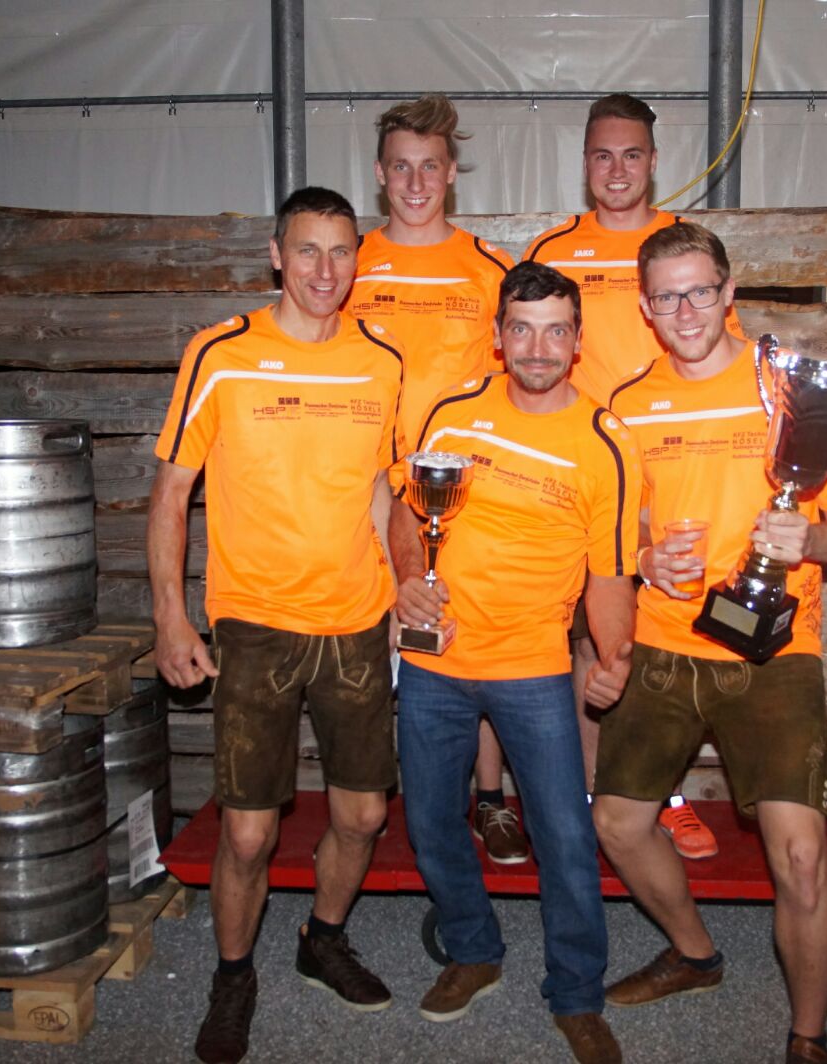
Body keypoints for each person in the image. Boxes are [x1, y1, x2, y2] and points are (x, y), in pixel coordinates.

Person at [595, 221, 827, 1064]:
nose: (685, 310)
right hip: (665, 644)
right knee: (617, 822)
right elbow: (616, 537)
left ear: (729, 294)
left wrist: (810, 540)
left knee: (802, 856)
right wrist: (646, 559)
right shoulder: (627, 409)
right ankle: (693, 953)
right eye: (667, 296)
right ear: (645, 308)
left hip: (773, 652)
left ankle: (808, 1037)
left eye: (700, 291)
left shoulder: (788, 393)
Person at [148, 186, 404, 1064]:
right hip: (253, 624)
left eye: (341, 251)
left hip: (355, 623)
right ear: (276, 255)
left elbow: (381, 491)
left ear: (358, 257)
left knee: (363, 815)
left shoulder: (381, 362)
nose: (325, 270)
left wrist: (401, 592)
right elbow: (173, 492)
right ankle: (232, 977)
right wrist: (171, 616)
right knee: (249, 831)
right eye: (307, 250)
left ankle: (321, 938)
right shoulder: (220, 353)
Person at [390, 261, 640, 1064]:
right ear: (498, 338)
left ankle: (577, 992)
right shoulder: (453, 413)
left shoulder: (605, 442)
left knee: (564, 835)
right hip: (437, 661)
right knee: (431, 821)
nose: (538, 347)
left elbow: (610, 574)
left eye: (555, 330)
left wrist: (614, 655)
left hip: (534, 667)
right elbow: (406, 512)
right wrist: (406, 580)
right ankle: (473, 950)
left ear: (577, 341)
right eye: (522, 330)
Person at [524, 92, 731, 860]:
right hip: (582, 480)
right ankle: (588, 798)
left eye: (632, 154)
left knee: (660, 643)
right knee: (590, 643)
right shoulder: (553, 250)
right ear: (585, 164)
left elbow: (721, 358)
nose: (617, 170)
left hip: (670, 477)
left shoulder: (680, 250)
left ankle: (660, 797)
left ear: (653, 161)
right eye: (603, 155)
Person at [348, 94, 529, 865]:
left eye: (430, 167)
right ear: (380, 174)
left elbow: (518, 377)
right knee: (375, 640)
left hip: (464, 495)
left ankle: (489, 799)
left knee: (471, 640)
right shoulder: (351, 264)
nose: (416, 183)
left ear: (452, 173)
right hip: (364, 489)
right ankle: (373, 807)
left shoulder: (490, 268)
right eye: (401, 167)